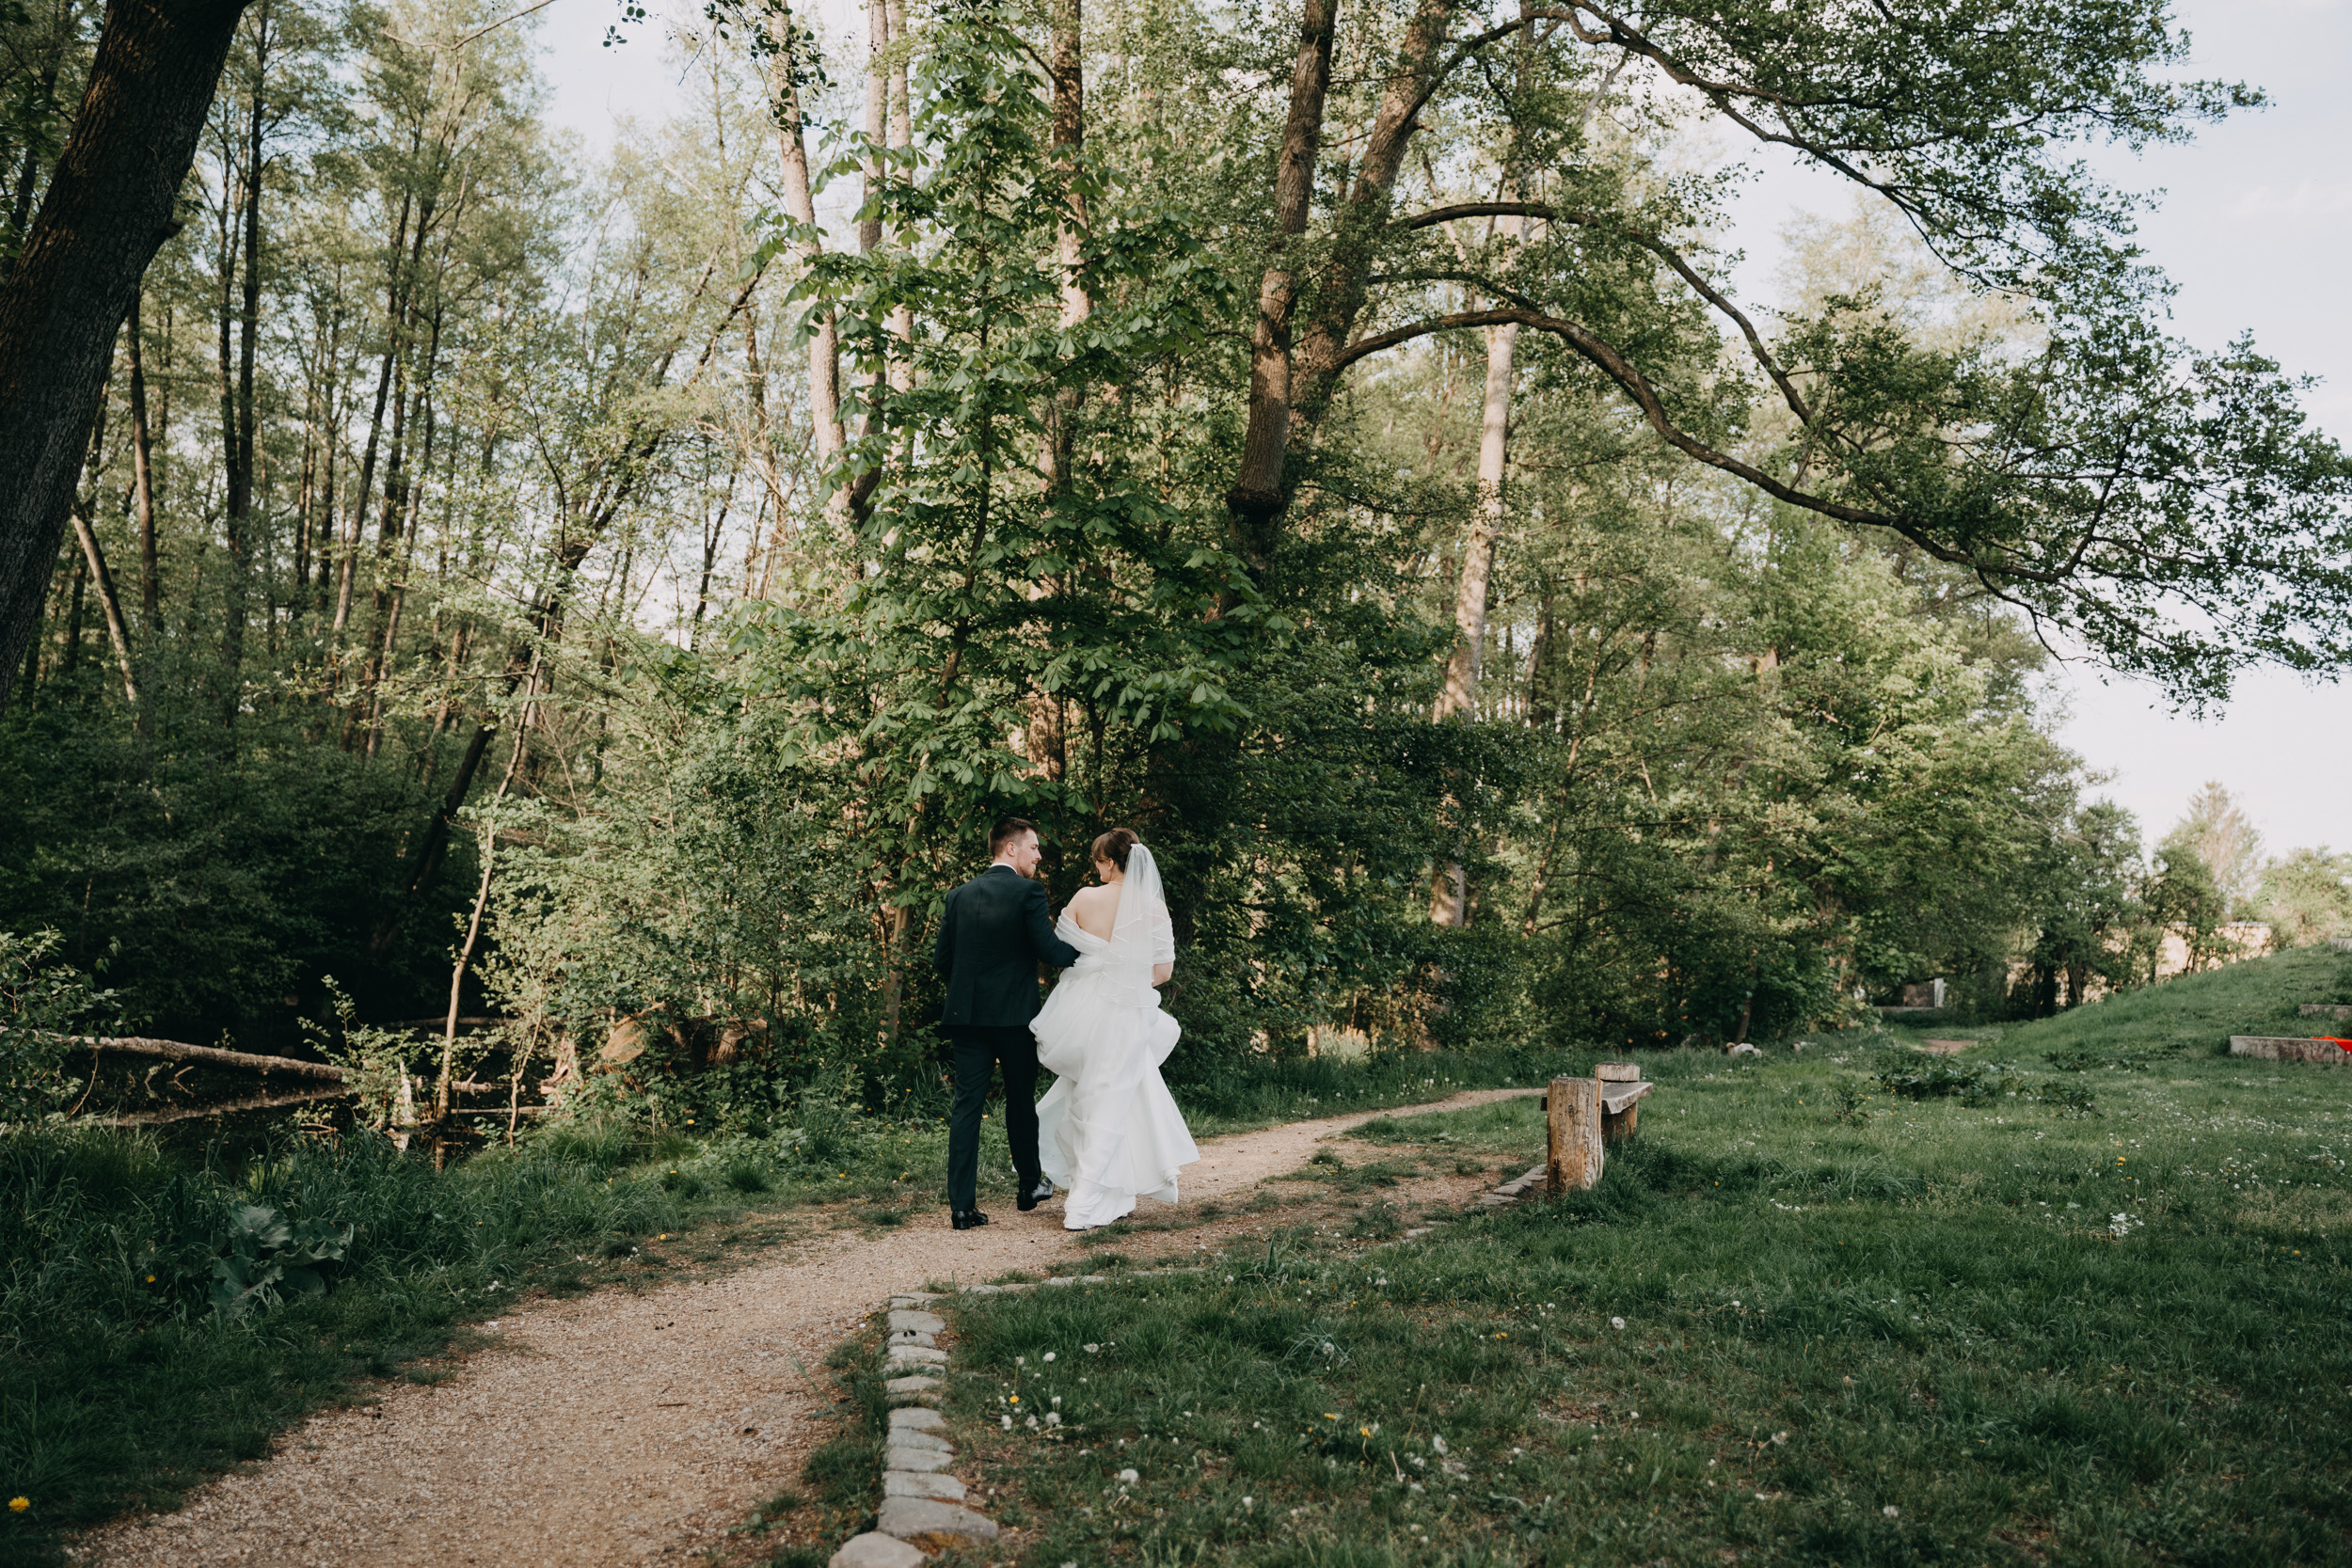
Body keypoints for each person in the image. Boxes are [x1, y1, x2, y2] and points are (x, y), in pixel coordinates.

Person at [1030, 828, 1200, 1230]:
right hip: (1127, 1013)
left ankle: (1093, 1192)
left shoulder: (1085, 898)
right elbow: (1162, 972)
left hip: (1083, 1011)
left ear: (1109, 861)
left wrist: (1098, 965)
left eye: (1098, 860)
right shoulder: (1154, 908)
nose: (1096, 867)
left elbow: (1062, 952)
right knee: (1115, 1095)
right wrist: (1126, 976)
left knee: (1088, 1093)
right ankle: (1090, 1196)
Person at [933, 816, 1082, 1229]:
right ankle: (1029, 1186)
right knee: (1019, 1101)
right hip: (1016, 1018)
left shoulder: (958, 895)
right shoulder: (1028, 892)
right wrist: (1090, 956)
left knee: (966, 1107)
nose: (1039, 855)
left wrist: (969, 994)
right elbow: (1050, 950)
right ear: (1010, 849)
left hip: (966, 1019)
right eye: (1034, 847)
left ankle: (961, 1208)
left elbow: (942, 961)